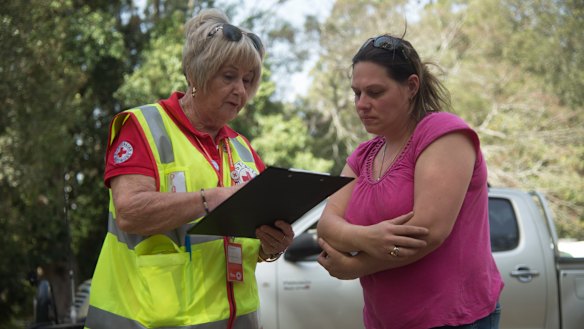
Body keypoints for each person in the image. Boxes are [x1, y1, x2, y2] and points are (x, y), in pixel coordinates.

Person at [84, 8, 294, 329]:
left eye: (248, 80)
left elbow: (254, 243)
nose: (240, 90)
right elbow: (129, 212)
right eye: (229, 76)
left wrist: (271, 246)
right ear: (197, 73)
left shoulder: (244, 150)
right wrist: (210, 199)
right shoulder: (144, 126)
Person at [316, 34, 504, 329]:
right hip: (384, 320)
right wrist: (369, 239)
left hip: (453, 319)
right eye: (357, 93)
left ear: (411, 86)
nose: (362, 104)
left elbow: (426, 232)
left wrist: (355, 265)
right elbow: (326, 225)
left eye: (375, 92)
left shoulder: (443, 132)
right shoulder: (364, 155)